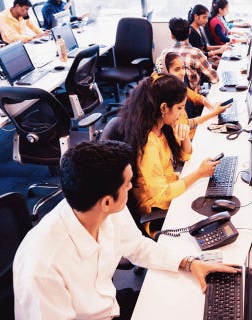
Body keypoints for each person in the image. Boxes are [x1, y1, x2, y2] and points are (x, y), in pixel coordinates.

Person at [13, 140, 239, 319]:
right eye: (128, 184)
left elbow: (138, 247)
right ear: (106, 202)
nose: (132, 187)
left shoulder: (103, 209)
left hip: (110, 306)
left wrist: (190, 263)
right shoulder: (41, 266)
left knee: (192, 304)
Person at [119, 73, 219, 233]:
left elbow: (186, 156)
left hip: (172, 194)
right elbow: (162, 194)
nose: (181, 113)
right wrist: (199, 174)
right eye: (179, 108)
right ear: (164, 107)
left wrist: (185, 137)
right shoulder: (149, 144)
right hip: (158, 213)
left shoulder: (161, 127)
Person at [156, 52, 230, 139]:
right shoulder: (166, 96)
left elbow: (198, 98)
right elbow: (187, 125)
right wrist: (215, 113)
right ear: (165, 72)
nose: (183, 73)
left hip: (188, 136)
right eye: (177, 69)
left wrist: (212, 107)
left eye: (183, 68)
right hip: (186, 140)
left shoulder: (176, 86)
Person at [158, 17, 219, 92]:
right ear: (189, 32)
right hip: (194, 100)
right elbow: (215, 79)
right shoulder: (195, 53)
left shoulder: (165, 54)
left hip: (172, 99)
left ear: (172, 35)